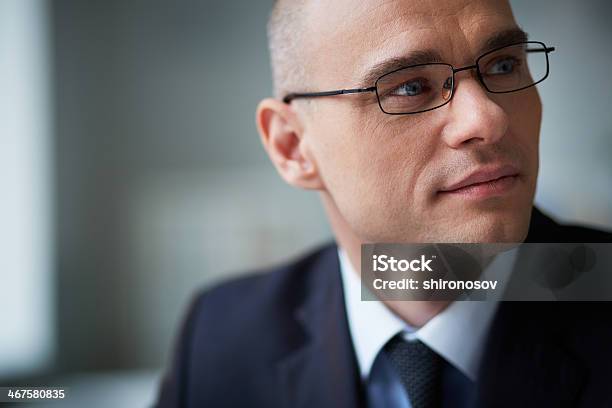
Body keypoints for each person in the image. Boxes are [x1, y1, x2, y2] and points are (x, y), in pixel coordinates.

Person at [155, 0, 612, 407]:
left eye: (503, 65)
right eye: (411, 87)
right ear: (292, 146)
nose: (487, 118)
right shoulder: (221, 336)